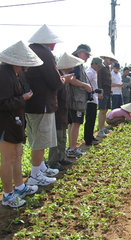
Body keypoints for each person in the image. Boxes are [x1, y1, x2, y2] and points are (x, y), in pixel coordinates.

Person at [0, 41, 43, 207]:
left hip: (15, 122)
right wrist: (22, 99)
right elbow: (2, 102)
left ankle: (19, 187)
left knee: (17, 154)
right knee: (8, 158)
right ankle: (8, 195)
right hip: (6, 123)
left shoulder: (14, 73)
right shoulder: (4, 74)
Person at [24, 25, 65, 185]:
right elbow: (54, 81)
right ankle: (35, 175)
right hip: (43, 103)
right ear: (48, 42)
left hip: (31, 102)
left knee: (35, 138)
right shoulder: (45, 53)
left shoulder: (30, 50)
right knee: (40, 141)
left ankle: (40, 167)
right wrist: (64, 80)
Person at [48, 52, 84, 170]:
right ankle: (53, 161)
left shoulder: (66, 77)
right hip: (58, 111)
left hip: (64, 111)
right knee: (56, 138)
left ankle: (62, 158)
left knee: (62, 136)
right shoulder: (59, 77)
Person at [67, 44, 92, 158]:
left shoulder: (75, 63)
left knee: (73, 123)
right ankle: (72, 148)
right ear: (80, 52)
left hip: (75, 99)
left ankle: (71, 147)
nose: (87, 57)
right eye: (86, 54)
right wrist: (85, 85)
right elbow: (72, 79)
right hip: (76, 99)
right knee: (76, 123)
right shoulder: (76, 63)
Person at [84, 58, 104, 146]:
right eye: (99, 65)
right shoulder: (90, 72)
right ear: (94, 64)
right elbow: (86, 83)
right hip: (90, 99)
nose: (99, 68)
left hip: (94, 98)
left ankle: (90, 136)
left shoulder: (94, 72)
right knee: (90, 119)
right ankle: (88, 139)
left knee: (92, 119)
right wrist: (93, 91)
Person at [97, 54, 116, 138]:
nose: (110, 61)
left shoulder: (108, 68)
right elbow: (99, 80)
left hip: (108, 92)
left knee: (105, 110)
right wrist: (100, 92)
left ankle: (103, 127)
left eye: (111, 60)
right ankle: (100, 130)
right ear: (105, 59)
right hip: (103, 91)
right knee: (102, 110)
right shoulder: (101, 68)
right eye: (109, 59)